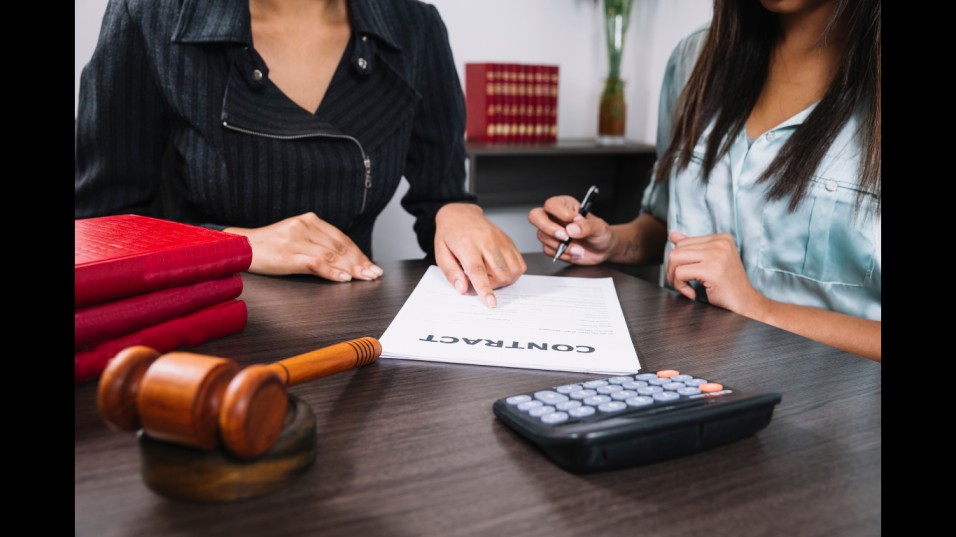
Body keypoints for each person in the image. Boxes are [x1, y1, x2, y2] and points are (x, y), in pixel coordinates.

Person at [75, 0, 526, 307]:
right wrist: (236, 245)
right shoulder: (151, 14)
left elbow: (441, 194)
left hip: (365, 337)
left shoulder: (415, 26)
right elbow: (98, 228)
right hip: (202, 335)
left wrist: (455, 212)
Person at [529, 0, 881, 361]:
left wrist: (759, 309)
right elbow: (667, 219)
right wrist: (613, 243)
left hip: (835, 405)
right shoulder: (694, 57)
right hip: (687, 376)